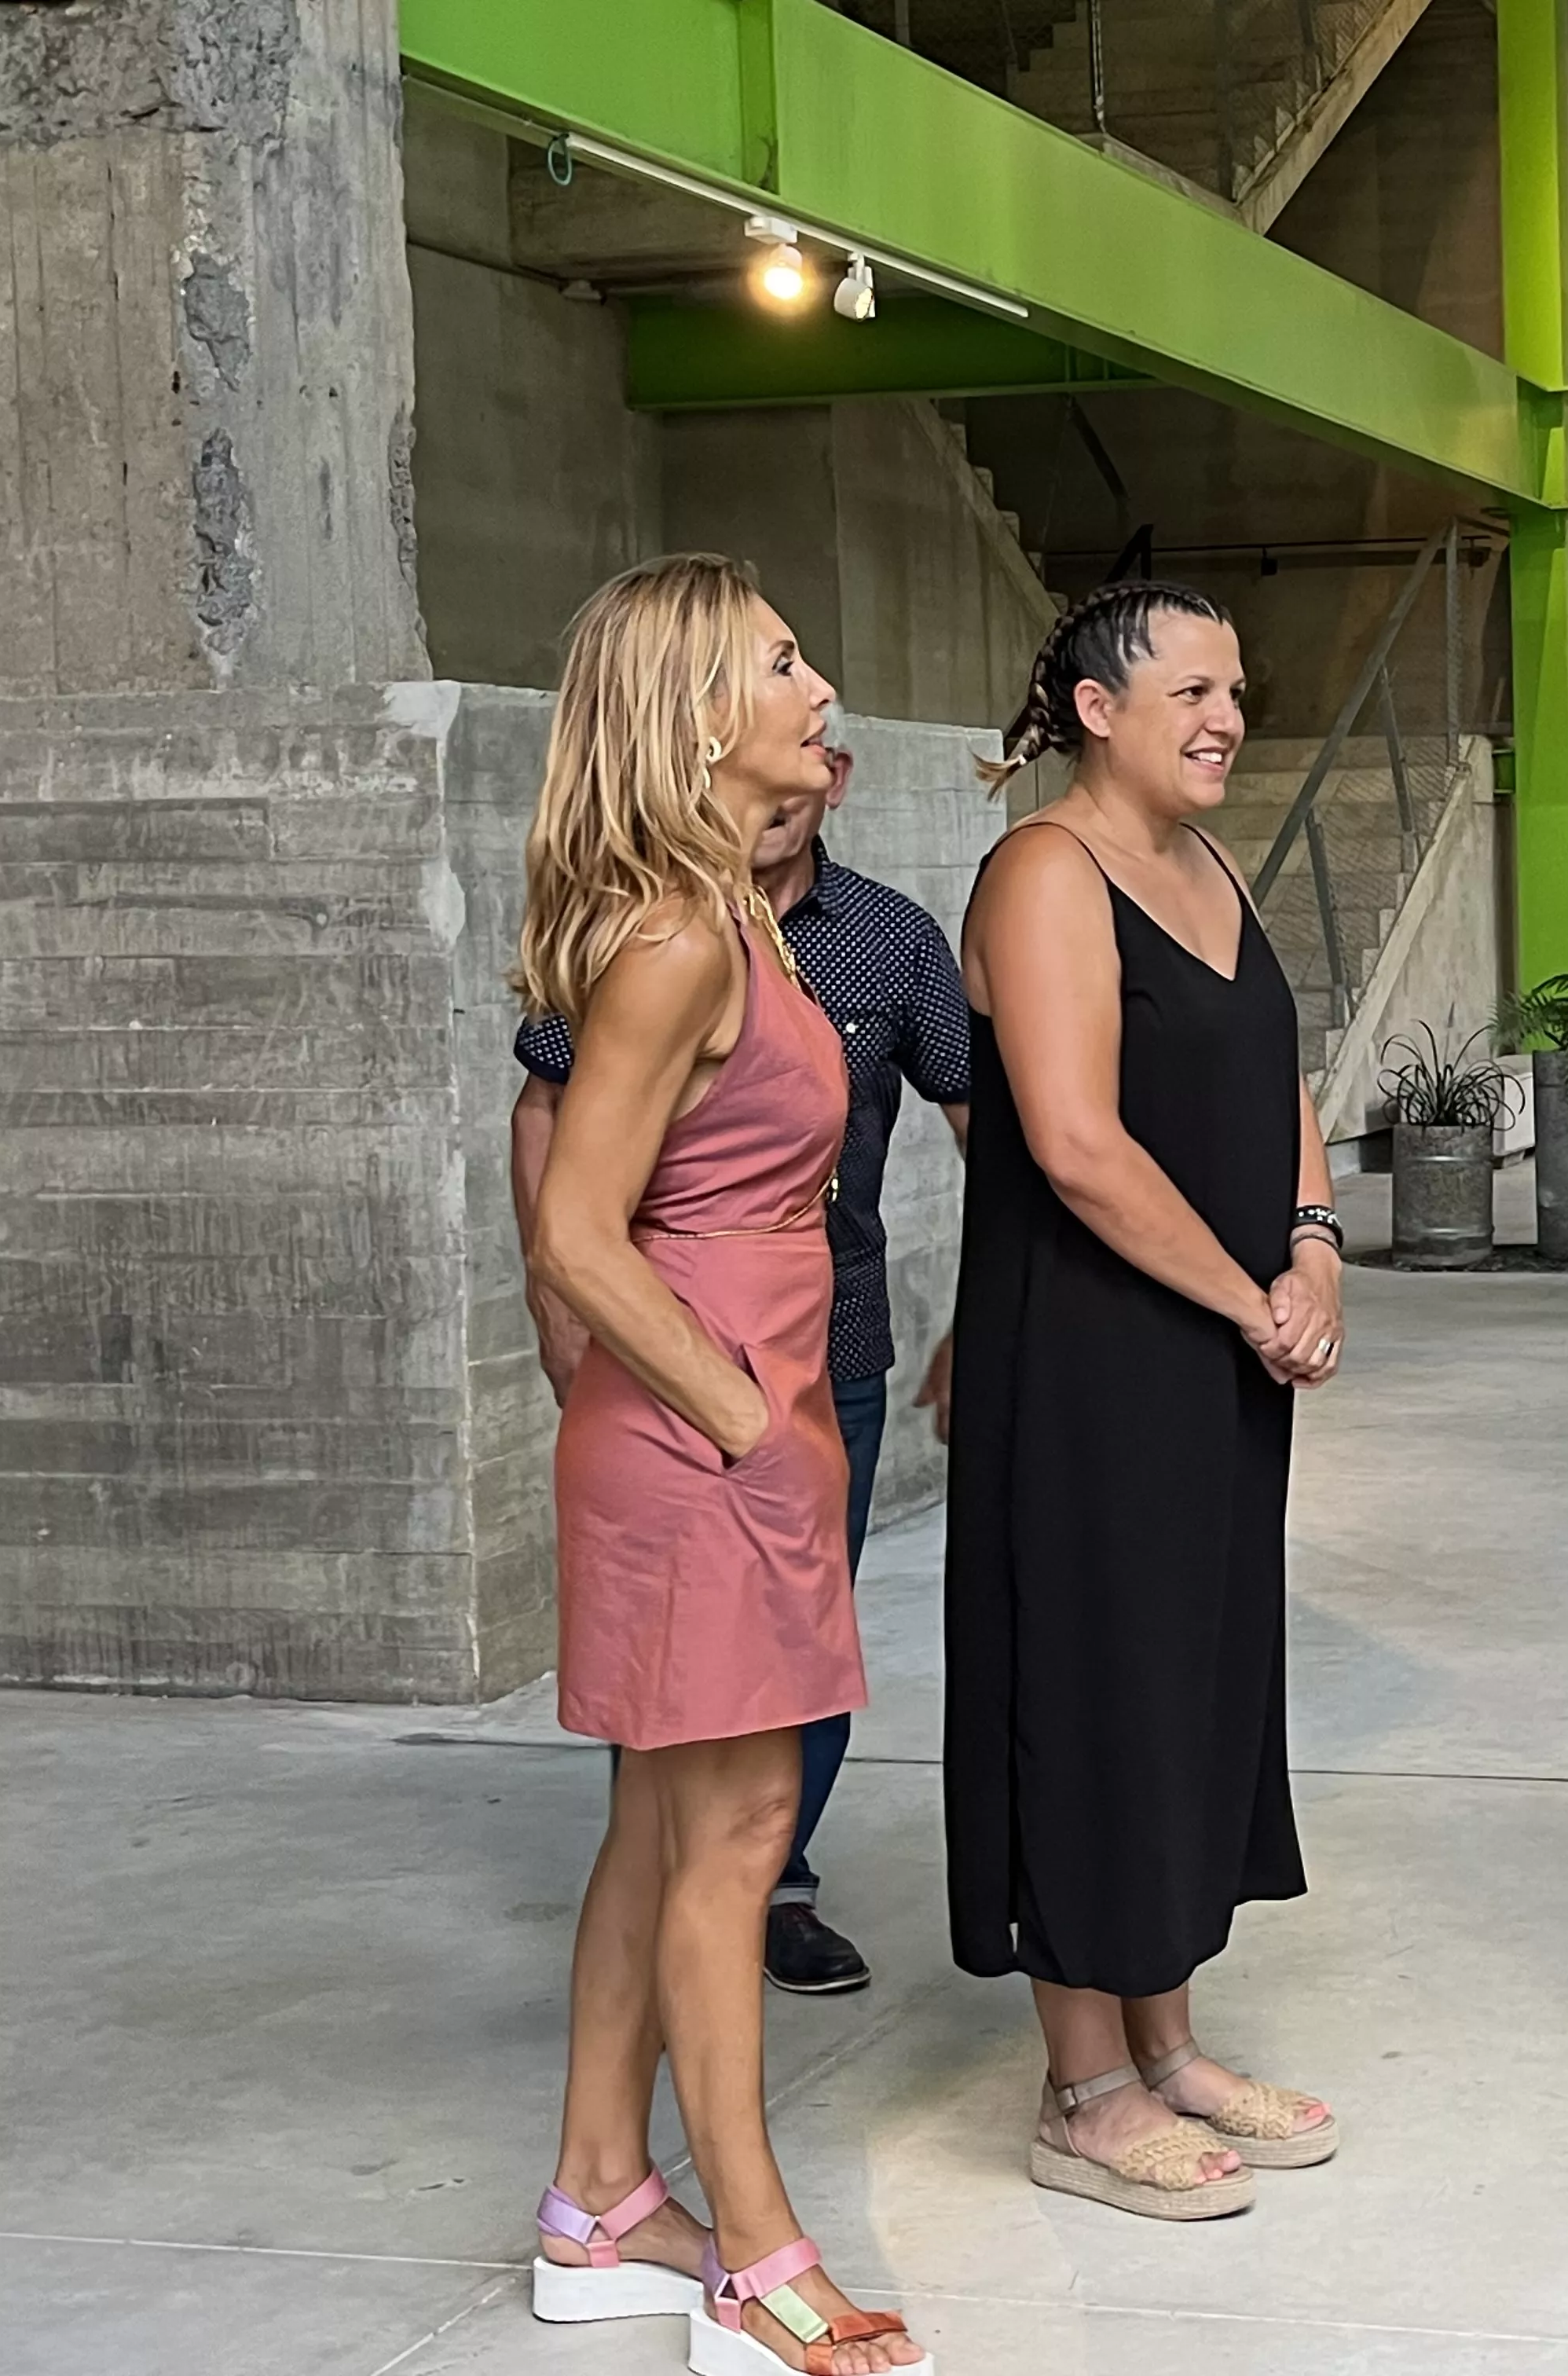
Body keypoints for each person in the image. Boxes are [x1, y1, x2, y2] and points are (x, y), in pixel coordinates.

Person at [518, 554, 926, 2374]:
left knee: (659, 1830)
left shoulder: (725, 921)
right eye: (780, 663)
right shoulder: (683, 939)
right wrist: (747, 1413)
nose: (820, 682)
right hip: (707, 1442)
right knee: (741, 1838)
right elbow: (580, 1230)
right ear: (697, 720)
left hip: (718, 1438)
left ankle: (599, 2201)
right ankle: (753, 2254)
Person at [944, 581, 1343, 2223]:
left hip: (1220, 1358)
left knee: (1194, 1678)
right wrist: (1251, 1295)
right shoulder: (1047, 873)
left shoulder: (1211, 863)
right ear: (1098, 709)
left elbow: (1280, 1079)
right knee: (1097, 1687)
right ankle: (1084, 2087)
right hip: (1097, 1361)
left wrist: (1315, 1241)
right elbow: (1078, 1148)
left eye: (1237, 691)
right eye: (1191, 691)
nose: (1226, 719)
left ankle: (1167, 2041)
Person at [514, 740, 973, 1997]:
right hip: (679, 1357)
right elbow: (550, 1115)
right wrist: (570, 1321)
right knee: (670, 1692)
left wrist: (985, 1306)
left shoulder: (889, 937)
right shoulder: (655, 936)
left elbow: (986, 1120)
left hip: (836, 1349)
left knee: (801, 1658)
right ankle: (684, 1891)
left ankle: (776, 1882)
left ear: (835, 784)